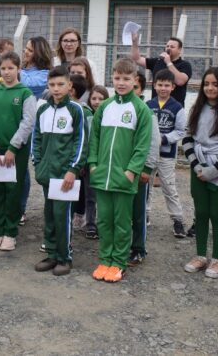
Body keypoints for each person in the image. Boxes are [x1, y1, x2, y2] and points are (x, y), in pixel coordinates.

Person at [88, 58, 152, 283]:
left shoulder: (141, 109)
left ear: (135, 80)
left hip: (124, 178)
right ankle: (105, 259)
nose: (121, 83)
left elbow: (142, 145)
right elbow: (94, 137)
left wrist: (132, 171)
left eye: (126, 79)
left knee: (122, 222)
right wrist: (93, 164)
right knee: (104, 220)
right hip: (101, 176)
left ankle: (119, 262)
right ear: (112, 78)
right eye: (117, 78)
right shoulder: (105, 107)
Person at [182, 67, 218, 279]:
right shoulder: (196, 109)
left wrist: (214, 170)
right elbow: (187, 139)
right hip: (198, 167)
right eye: (207, 83)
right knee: (201, 212)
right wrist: (197, 166)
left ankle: (217, 259)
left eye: (215, 84)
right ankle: (200, 255)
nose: (210, 87)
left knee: (217, 214)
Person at [32, 66, 88, 276]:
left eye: (60, 84)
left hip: (65, 175)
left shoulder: (76, 109)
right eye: (52, 85)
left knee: (62, 215)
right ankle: (52, 253)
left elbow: (81, 142)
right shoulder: (42, 110)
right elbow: (36, 139)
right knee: (49, 214)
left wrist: (73, 169)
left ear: (70, 85)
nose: (56, 89)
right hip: (47, 173)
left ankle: (65, 257)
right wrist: (37, 164)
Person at [0, 51, 36, 251]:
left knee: (13, 190)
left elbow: (27, 122)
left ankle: (10, 232)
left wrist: (13, 147)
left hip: (16, 152)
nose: (7, 72)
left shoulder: (25, 94)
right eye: (3, 68)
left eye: (11, 68)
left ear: (19, 69)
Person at [146, 69, 188, 238]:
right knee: (145, 185)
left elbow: (180, 131)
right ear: (154, 85)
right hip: (148, 154)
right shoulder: (148, 105)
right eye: (160, 84)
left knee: (169, 187)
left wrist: (163, 139)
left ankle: (177, 219)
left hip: (166, 154)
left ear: (172, 87)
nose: (163, 88)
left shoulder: (177, 107)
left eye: (167, 85)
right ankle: (145, 214)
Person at [18, 36, 53, 225]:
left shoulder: (45, 74)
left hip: (35, 128)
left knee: (32, 168)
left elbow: (26, 83)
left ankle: (26, 209)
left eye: (29, 50)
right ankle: (16, 207)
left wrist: (14, 70)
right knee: (17, 168)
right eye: (25, 49)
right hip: (18, 125)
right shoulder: (22, 70)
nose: (25, 52)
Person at [128, 71, 161, 266]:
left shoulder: (147, 113)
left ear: (141, 90)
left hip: (139, 171)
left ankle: (138, 248)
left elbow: (154, 142)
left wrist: (147, 168)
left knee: (138, 212)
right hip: (121, 169)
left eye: (136, 87)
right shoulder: (116, 109)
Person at [129, 33, 192, 106]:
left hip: (174, 107)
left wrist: (168, 62)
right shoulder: (158, 61)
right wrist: (134, 43)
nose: (168, 48)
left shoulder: (185, 65)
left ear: (179, 50)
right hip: (156, 106)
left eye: (172, 47)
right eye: (167, 46)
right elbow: (137, 59)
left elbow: (180, 81)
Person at [67, 74, 95, 235]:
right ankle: (69, 222)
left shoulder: (85, 112)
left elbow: (88, 138)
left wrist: (83, 161)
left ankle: (90, 222)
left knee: (88, 193)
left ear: (71, 91)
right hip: (66, 161)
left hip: (81, 162)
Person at [84, 85, 110, 240]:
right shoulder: (86, 116)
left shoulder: (109, 118)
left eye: (101, 99)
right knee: (90, 195)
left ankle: (104, 224)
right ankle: (91, 224)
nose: (97, 102)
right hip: (89, 162)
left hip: (105, 161)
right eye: (94, 98)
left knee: (104, 195)